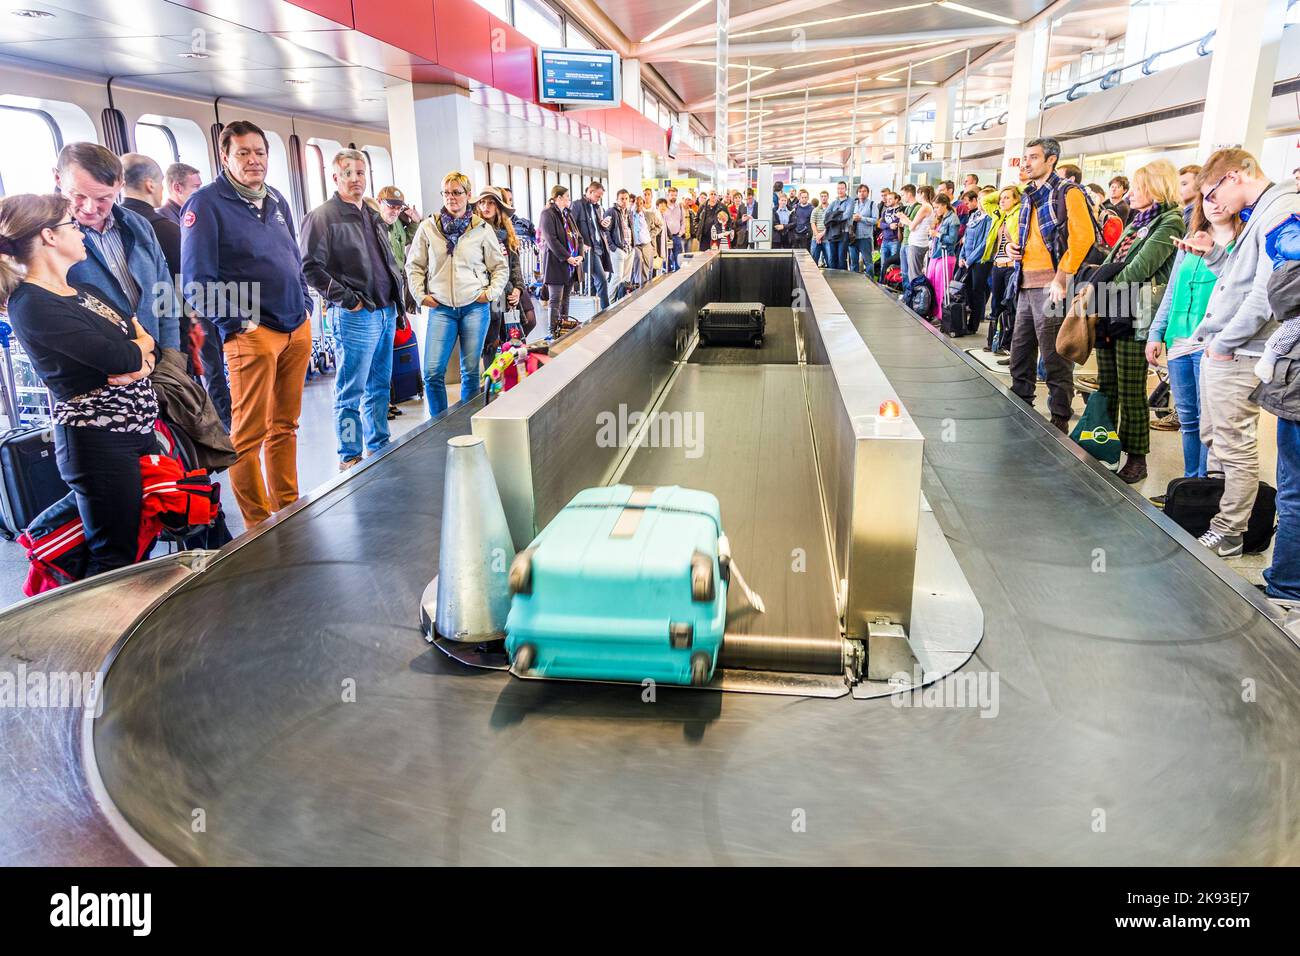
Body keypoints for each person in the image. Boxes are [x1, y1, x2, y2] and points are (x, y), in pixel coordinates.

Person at [0, 193, 159, 574]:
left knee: (141, 539)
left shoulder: (86, 291)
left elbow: (143, 336)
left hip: (135, 431)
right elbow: (119, 356)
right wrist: (138, 354)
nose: (83, 233)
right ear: (49, 236)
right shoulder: (31, 304)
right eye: (74, 225)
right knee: (115, 557)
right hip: (96, 443)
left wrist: (142, 357)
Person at [181, 120, 312, 525]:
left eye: (259, 152)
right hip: (253, 334)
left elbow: (293, 257)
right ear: (225, 157)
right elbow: (195, 282)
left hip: (296, 326)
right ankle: (258, 523)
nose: (254, 160)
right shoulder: (205, 205)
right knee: (247, 435)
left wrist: (305, 302)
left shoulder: (275, 199)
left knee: (285, 426)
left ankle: (287, 506)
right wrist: (237, 322)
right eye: (243, 153)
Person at [1175, 148, 1300, 556]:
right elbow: (1238, 279)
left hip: (1241, 350)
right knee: (1216, 437)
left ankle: (1230, 530)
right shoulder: (1259, 214)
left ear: (1234, 176)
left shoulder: (1280, 210)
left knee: (1234, 443)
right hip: (1223, 346)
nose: (1212, 205)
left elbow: (1267, 295)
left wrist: (1224, 345)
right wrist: (1212, 253)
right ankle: (1222, 513)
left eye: (1211, 193)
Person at [299, 150, 403, 471]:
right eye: (348, 173)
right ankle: (349, 454)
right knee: (350, 391)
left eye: (360, 172)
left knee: (379, 387)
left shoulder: (371, 214)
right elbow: (310, 268)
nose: (356, 179)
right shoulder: (323, 217)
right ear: (335, 178)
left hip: (385, 311)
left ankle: (378, 445)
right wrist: (349, 299)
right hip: (355, 315)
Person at [1090, 159, 1185, 484]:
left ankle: (1136, 457)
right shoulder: (1137, 221)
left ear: (1156, 188)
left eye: (1138, 187)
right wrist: (1098, 293)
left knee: (1131, 390)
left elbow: (1138, 270)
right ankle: (1104, 441)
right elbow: (1112, 259)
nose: (1130, 194)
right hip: (1112, 312)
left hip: (1135, 316)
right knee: (1108, 385)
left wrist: (1097, 291)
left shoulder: (1170, 222)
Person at [55, 143, 180, 361]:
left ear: (120, 186)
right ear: (58, 179)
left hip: (157, 361)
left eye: (103, 198)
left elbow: (165, 298)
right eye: (78, 196)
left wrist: (171, 360)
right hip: (99, 370)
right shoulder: (49, 237)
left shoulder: (139, 226)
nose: (90, 208)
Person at [1007, 137, 1097, 432]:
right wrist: (1011, 250)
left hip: (1051, 285)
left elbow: (1083, 238)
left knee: (1054, 356)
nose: (1026, 162)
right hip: (1024, 282)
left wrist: (1062, 276)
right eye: (1025, 157)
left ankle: (1059, 419)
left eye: (1033, 157)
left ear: (1051, 160)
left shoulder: (1067, 192)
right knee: (1019, 354)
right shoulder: (1029, 195)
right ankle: (1020, 407)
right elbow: (1026, 238)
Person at [1146, 195, 1240, 479]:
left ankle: (1204, 485)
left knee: (1208, 423)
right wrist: (1156, 332)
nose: (1215, 204)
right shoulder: (1190, 237)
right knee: (1187, 419)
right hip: (1179, 340)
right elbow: (1173, 289)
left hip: (1212, 343)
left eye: (1220, 197)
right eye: (1209, 199)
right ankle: (1190, 484)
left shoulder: (1242, 241)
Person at [406, 171, 509, 415]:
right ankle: (438, 424)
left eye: (457, 192)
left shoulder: (481, 229)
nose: (451, 198)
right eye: (447, 193)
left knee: (470, 371)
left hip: (474, 306)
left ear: (468, 195)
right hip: (441, 308)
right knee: (432, 372)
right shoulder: (428, 227)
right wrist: (421, 295)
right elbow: (414, 265)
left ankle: (467, 421)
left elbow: (499, 267)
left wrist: (489, 294)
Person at [474, 186, 529, 365]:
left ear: (498, 206)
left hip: (507, 293)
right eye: (482, 202)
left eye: (491, 203)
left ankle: (513, 375)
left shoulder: (506, 232)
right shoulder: (475, 231)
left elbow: (514, 265)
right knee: (491, 339)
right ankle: (493, 379)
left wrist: (518, 289)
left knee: (513, 335)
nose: (486, 207)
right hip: (488, 293)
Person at [534, 184, 583, 338]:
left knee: (566, 299)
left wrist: (580, 255)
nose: (569, 199)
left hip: (572, 264)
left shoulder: (567, 214)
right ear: (559, 198)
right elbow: (551, 240)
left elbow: (578, 236)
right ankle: (553, 332)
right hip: (557, 264)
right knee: (555, 300)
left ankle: (563, 328)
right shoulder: (547, 214)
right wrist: (567, 257)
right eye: (567, 196)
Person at [984, 185, 1022, 354]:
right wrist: (1004, 191)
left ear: (1016, 199)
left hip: (1011, 266)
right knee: (995, 305)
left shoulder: (1019, 213)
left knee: (1009, 305)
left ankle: (1007, 344)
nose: (1002, 200)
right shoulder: (999, 214)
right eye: (1001, 198)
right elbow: (985, 200)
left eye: (1007, 197)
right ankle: (994, 342)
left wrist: (1017, 187)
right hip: (997, 264)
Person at [960, 187, 997, 336]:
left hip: (981, 261)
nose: (981, 202)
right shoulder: (975, 215)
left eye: (984, 199)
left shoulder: (990, 217)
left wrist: (969, 259)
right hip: (968, 259)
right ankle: (965, 321)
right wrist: (962, 256)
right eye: (980, 198)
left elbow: (985, 243)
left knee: (977, 292)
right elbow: (966, 237)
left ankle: (973, 324)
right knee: (967, 290)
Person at [571, 181, 611, 310]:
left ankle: (593, 311)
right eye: (597, 196)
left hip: (599, 247)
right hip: (589, 249)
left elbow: (598, 228)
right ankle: (606, 310)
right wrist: (580, 245)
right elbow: (572, 227)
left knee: (594, 283)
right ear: (590, 192)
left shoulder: (597, 208)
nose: (598, 199)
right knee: (602, 280)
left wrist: (604, 225)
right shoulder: (577, 205)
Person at [926, 194, 961, 326]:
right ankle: (933, 312)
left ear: (944, 205)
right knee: (932, 285)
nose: (935, 210)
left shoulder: (953, 219)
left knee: (942, 288)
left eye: (937, 207)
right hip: (936, 254)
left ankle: (942, 315)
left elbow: (952, 240)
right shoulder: (940, 218)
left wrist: (937, 234)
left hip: (946, 256)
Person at [898, 184, 934, 287]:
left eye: (917, 193)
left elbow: (912, 226)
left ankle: (916, 298)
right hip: (917, 242)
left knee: (914, 275)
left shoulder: (925, 207)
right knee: (911, 273)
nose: (916, 196)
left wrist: (905, 219)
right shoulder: (927, 207)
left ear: (922, 194)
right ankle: (911, 297)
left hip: (917, 243)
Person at [607, 188, 634, 300]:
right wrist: (613, 247)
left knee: (625, 279)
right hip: (618, 249)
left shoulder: (628, 212)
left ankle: (621, 301)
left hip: (629, 249)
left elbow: (630, 229)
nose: (624, 201)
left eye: (626, 198)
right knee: (617, 277)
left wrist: (633, 246)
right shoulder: (611, 212)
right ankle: (610, 303)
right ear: (617, 199)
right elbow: (605, 231)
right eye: (622, 199)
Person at [847, 183, 879, 275]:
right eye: (860, 191)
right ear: (857, 193)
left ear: (868, 193)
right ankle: (854, 282)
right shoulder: (853, 204)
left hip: (865, 238)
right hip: (852, 238)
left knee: (868, 262)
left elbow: (875, 220)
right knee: (853, 263)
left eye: (864, 191)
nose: (862, 193)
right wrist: (852, 218)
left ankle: (870, 283)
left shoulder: (872, 204)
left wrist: (862, 218)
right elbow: (847, 218)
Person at [824, 181, 854, 270]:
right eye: (838, 188)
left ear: (846, 189)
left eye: (842, 188)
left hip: (844, 233)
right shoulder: (834, 202)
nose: (840, 190)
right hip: (832, 233)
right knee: (832, 258)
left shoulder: (850, 201)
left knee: (841, 258)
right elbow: (825, 215)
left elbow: (847, 215)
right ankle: (833, 280)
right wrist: (837, 215)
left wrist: (833, 217)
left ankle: (842, 281)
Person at [663, 186, 685, 269]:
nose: (674, 197)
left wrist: (681, 233)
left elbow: (683, 221)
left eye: (675, 195)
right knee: (666, 260)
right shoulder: (664, 207)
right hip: (666, 237)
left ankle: (678, 278)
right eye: (672, 195)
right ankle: (666, 279)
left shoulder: (679, 206)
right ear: (668, 195)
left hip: (677, 236)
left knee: (678, 259)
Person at [810, 195, 827, 266]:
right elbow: (812, 223)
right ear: (820, 198)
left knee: (830, 260)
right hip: (815, 239)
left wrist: (821, 234)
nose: (823, 198)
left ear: (827, 197)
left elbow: (831, 224)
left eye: (825, 196)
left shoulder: (831, 209)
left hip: (827, 238)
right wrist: (817, 235)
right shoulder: (815, 210)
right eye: (822, 196)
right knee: (813, 260)